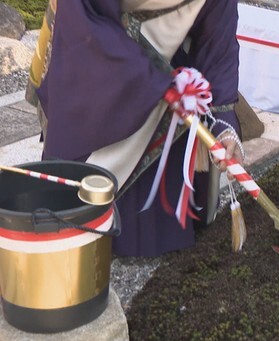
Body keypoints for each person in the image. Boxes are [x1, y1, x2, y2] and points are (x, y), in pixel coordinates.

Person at [26, 0, 244, 257]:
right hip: (93, 55)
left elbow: (218, 46)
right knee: (73, 201)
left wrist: (225, 128)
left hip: (167, 73)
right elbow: (81, 13)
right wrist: (154, 82)